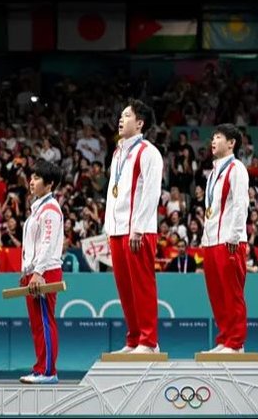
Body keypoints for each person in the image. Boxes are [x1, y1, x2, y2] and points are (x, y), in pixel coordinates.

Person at [104, 99, 163, 354]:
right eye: (121, 115)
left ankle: (149, 342)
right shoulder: (118, 153)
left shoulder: (148, 152)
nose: (120, 119)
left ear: (140, 123)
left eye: (127, 116)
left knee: (142, 287)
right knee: (125, 289)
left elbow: (151, 193)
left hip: (137, 231)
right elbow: (113, 193)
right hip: (117, 230)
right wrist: (108, 228)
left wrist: (138, 228)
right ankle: (134, 338)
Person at [202, 123, 249, 353]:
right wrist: (204, 239)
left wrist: (234, 235)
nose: (213, 140)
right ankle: (224, 338)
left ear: (231, 143)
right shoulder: (213, 173)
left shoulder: (237, 168)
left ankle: (236, 342)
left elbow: (241, 204)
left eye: (218, 137)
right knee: (217, 294)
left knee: (232, 293)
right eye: (213, 136)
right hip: (212, 242)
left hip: (230, 240)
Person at [19, 159, 64, 384]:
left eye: (37, 178)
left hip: (46, 272)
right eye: (32, 177)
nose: (31, 181)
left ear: (50, 184)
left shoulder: (51, 209)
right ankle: (40, 368)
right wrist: (25, 271)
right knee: (37, 323)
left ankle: (49, 371)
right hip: (34, 271)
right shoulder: (36, 209)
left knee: (45, 321)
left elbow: (47, 243)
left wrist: (37, 273)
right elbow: (31, 246)